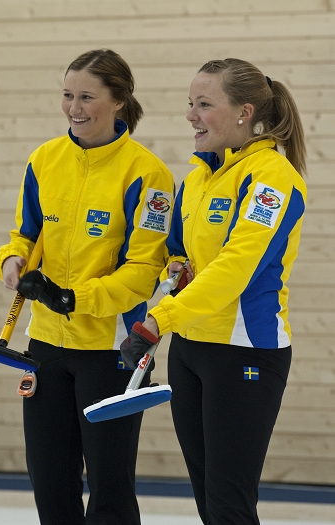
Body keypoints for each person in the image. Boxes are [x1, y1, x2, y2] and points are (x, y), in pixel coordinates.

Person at [120, 58, 307, 524]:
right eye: (190, 103)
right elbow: (181, 254)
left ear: (244, 112)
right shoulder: (199, 178)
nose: (191, 115)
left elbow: (233, 271)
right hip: (190, 350)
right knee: (208, 500)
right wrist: (175, 269)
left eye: (204, 104)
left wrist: (158, 320)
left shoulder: (272, 179)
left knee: (229, 504)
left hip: (244, 352)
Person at [0, 48, 174, 525]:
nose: (75, 107)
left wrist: (75, 299)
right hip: (47, 346)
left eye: (87, 97)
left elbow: (143, 270)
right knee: (50, 482)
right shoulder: (45, 159)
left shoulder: (147, 173)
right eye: (68, 95)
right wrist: (12, 261)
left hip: (112, 350)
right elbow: (26, 235)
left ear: (119, 101)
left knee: (111, 489)